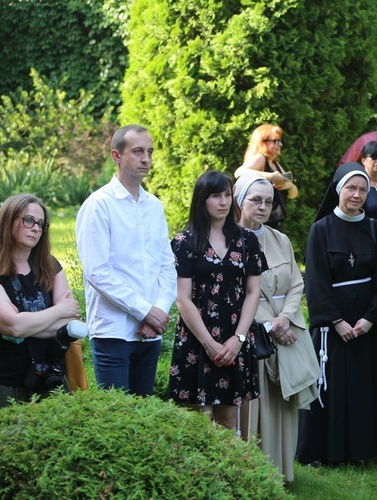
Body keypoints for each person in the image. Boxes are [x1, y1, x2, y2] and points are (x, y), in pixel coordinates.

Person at [296, 163, 377, 466]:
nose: (357, 194)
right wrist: (336, 321)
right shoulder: (320, 230)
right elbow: (316, 282)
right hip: (331, 324)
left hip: (364, 322)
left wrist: (369, 320)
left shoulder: (376, 230)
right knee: (328, 385)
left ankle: (360, 452)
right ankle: (322, 452)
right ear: (339, 190)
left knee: (362, 387)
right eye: (351, 188)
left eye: (363, 189)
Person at [76, 124, 177, 397]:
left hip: (149, 332)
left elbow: (167, 266)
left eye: (150, 152)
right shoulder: (99, 205)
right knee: (115, 417)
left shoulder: (154, 206)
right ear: (116, 156)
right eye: (138, 151)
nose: (146, 158)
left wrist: (157, 311)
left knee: (143, 417)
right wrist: (145, 311)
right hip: (113, 332)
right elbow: (97, 272)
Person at [235, 172, 320, 483]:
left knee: (283, 406)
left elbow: (297, 284)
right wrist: (270, 324)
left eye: (268, 202)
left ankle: (282, 472)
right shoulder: (229, 240)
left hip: (287, 330)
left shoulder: (279, 239)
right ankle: (255, 474)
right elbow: (239, 294)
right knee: (257, 409)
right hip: (254, 337)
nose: (262, 207)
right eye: (255, 200)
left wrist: (285, 318)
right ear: (239, 201)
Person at [168, 170, 263, 430]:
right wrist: (209, 344)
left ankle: (227, 471)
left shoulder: (247, 241)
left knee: (228, 419)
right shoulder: (183, 242)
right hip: (197, 337)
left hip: (236, 336)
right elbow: (182, 298)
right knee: (195, 419)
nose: (223, 201)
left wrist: (239, 339)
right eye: (215, 196)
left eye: (227, 195)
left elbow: (253, 291)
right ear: (201, 200)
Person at [0, 194, 85, 407]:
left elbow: (68, 326)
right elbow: (15, 327)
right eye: (28, 220)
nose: (36, 228)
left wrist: (21, 323)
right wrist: (58, 311)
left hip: (50, 378)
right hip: (6, 381)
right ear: (9, 220)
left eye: (40, 224)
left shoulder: (49, 265)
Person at [234, 124, 298, 230]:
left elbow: (293, 194)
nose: (280, 144)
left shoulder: (275, 164)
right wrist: (270, 176)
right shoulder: (259, 158)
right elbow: (239, 172)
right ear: (262, 142)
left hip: (273, 223)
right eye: (276, 141)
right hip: (259, 224)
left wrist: (289, 186)